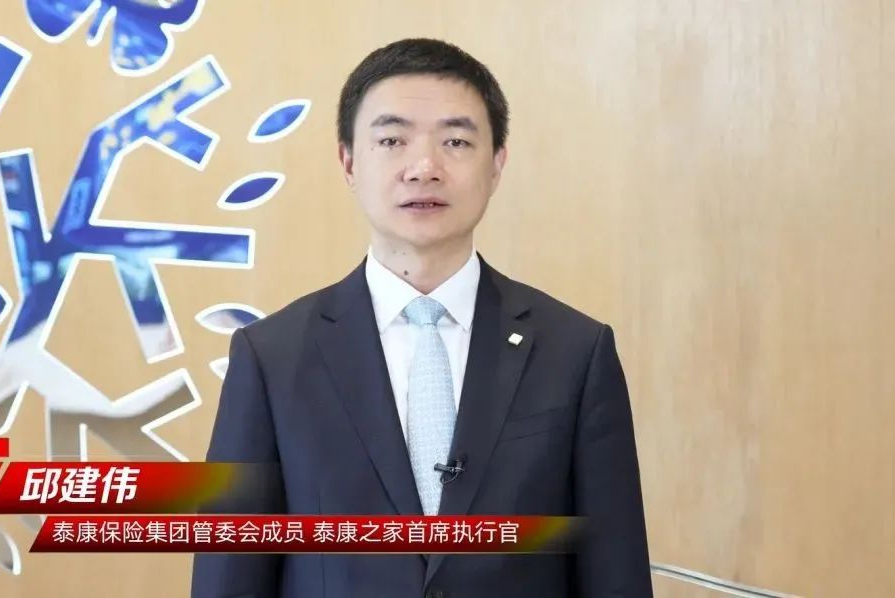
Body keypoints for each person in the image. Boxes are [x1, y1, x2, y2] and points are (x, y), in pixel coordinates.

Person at [191, 37, 652, 598]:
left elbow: (615, 572)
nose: (424, 168)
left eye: (456, 141)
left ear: (497, 163)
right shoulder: (271, 357)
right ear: (349, 162)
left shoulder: (575, 351)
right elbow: (229, 575)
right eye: (392, 140)